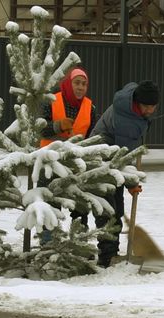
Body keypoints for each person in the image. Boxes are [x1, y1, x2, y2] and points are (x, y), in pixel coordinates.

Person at [89, 80, 159, 268]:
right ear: (137, 102)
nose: (150, 111)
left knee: (116, 209)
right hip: (101, 163)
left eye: (153, 107)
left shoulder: (130, 101)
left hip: (113, 163)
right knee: (108, 211)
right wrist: (131, 183)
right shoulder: (126, 120)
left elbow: (132, 84)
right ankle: (107, 257)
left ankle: (112, 254)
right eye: (147, 107)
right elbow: (122, 155)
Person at [39, 67, 99, 243]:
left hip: (76, 163)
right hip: (49, 161)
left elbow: (92, 137)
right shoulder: (52, 101)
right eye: (77, 83)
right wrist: (59, 126)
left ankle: (80, 241)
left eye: (84, 84)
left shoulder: (90, 107)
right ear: (68, 83)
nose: (81, 87)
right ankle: (48, 242)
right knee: (50, 202)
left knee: (80, 204)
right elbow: (40, 129)